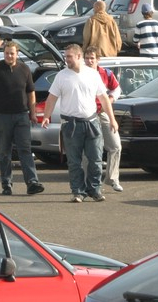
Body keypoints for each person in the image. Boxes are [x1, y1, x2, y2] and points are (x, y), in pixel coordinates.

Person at [42, 43, 117, 203]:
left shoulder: (92, 74)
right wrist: (46, 116)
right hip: (71, 124)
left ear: (78, 56)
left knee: (95, 159)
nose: (66, 59)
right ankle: (78, 192)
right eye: (65, 56)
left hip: (92, 122)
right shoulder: (62, 76)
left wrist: (112, 119)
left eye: (69, 56)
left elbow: (104, 98)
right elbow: (52, 98)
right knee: (74, 161)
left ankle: (95, 190)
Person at [0, 42, 44, 195]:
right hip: (1, 116)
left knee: (25, 149)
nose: (9, 56)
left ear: (17, 54)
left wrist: (33, 113)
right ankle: (6, 184)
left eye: (12, 53)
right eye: (7, 53)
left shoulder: (24, 69)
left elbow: (31, 92)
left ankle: (32, 182)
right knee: (4, 151)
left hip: (22, 115)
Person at [84, 48, 124, 192]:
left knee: (115, 146)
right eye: (87, 58)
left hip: (102, 112)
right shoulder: (80, 73)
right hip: (86, 114)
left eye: (92, 58)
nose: (89, 61)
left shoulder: (105, 73)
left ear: (98, 60)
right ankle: (88, 182)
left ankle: (113, 178)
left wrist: (111, 99)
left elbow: (117, 89)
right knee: (88, 150)